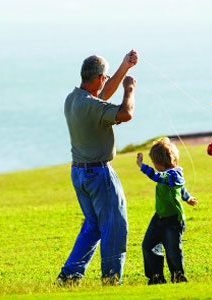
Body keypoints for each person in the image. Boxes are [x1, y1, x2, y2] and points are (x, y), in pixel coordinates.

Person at [56, 50, 138, 286]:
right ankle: (112, 280)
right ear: (101, 77)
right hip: (99, 173)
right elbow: (125, 114)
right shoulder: (92, 106)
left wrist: (125, 66)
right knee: (115, 227)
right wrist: (129, 89)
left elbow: (101, 94)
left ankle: (70, 276)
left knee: (92, 226)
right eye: (106, 77)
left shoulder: (73, 99)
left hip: (79, 173)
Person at [136, 137, 198, 285]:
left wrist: (141, 165)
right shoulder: (170, 175)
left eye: (153, 163)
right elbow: (181, 190)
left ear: (160, 163)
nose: (153, 165)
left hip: (173, 221)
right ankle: (156, 278)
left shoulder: (173, 175)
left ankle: (178, 277)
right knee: (148, 246)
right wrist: (187, 198)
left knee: (173, 252)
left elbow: (159, 177)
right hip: (158, 218)